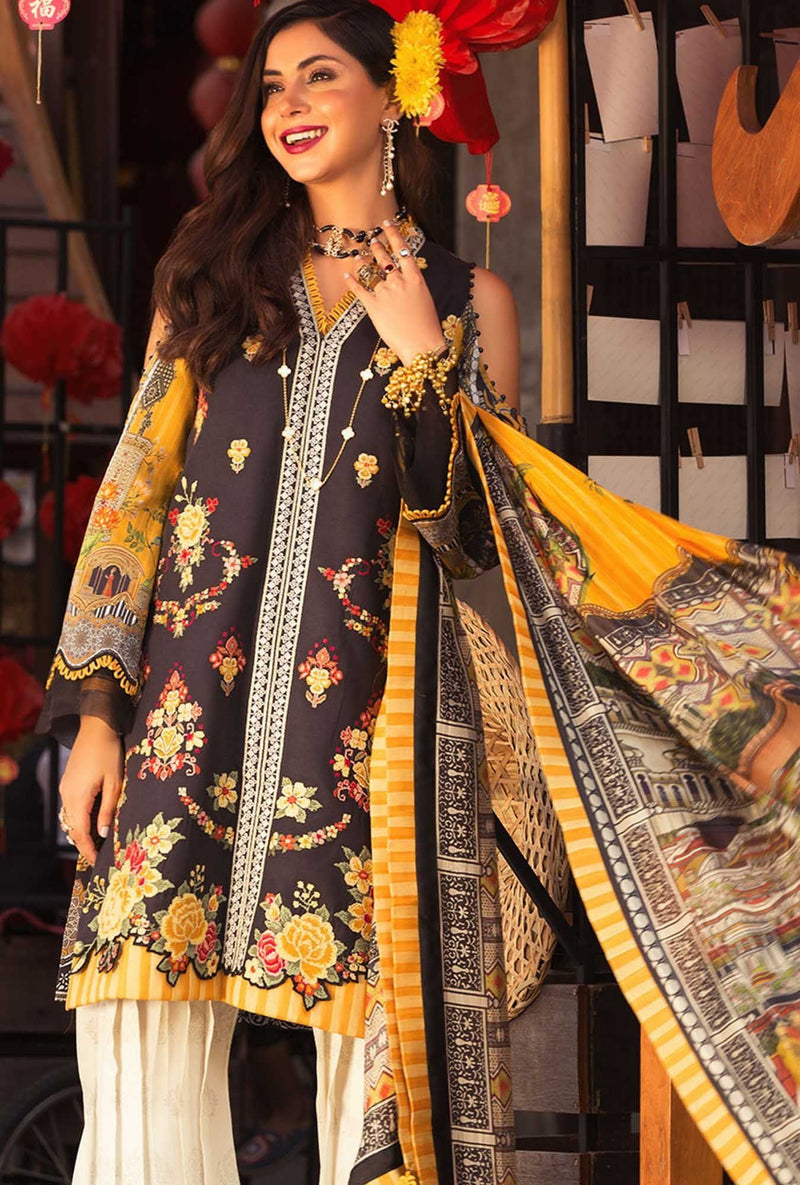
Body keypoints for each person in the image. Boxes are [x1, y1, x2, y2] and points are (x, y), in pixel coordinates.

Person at [36, 1, 800, 1182]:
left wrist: (422, 359)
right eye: (271, 85)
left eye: (318, 76)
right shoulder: (208, 278)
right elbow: (132, 502)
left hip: (367, 732)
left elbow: (479, 550)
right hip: (190, 713)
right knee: (138, 1038)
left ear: (393, 94)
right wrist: (96, 713)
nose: (287, 105)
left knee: (374, 1044)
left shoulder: (467, 301)